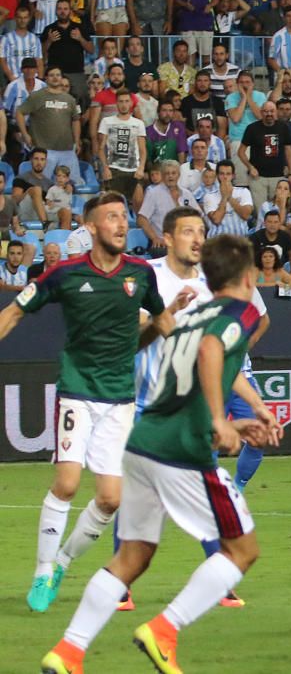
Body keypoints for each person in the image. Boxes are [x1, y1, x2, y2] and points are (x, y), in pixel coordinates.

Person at [40, 233, 281, 674]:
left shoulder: (192, 315)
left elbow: (192, 369)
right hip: (181, 453)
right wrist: (218, 420)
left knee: (132, 556)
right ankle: (165, 630)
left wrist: (248, 414)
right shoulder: (239, 311)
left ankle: (68, 652)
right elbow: (212, 353)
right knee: (242, 550)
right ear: (248, 277)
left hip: (143, 440)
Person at [0, 193, 179, 615]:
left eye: (124, 217)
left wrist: (190, 354)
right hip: (77, 390)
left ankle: (62, 563)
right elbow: (13, 312)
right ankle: (43, 570)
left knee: (110, 500)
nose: (121, 224)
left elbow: (161, 320)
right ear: (92, 227)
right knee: (66, 483)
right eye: (112, 217)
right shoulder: (63, 274)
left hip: (120, 399)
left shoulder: (139, 274)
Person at [97, 89, 147, 208]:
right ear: (116, 103)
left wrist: (141, 168)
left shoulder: (138, 123)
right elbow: (100, 148)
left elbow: (142, 149)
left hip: (134, 170)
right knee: (112, 206)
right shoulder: (106, 121)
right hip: (114, 169)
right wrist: (105, 168)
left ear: (131, 103)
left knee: (139, 205)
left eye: (126, 101)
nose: (124, 104)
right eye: (121, 101)